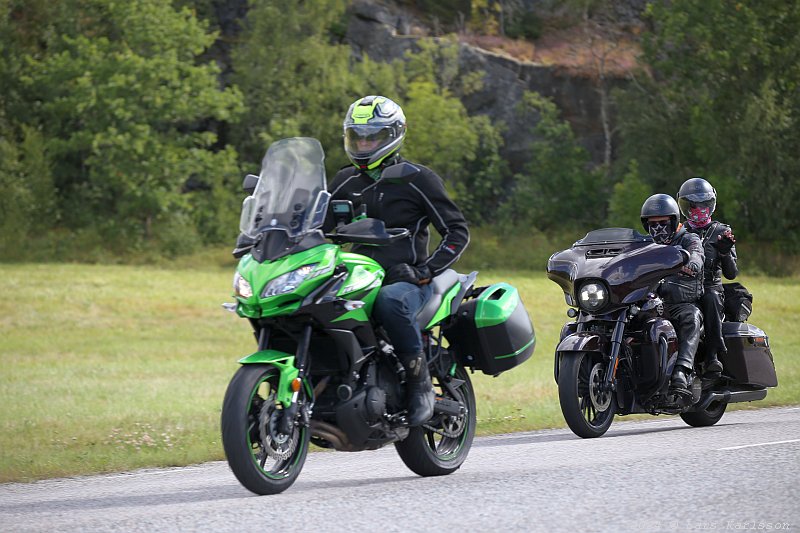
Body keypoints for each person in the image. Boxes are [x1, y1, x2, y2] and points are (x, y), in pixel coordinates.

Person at [324, 95, 470, 426]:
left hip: (405, 280)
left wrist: (425, 271)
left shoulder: (417, 179)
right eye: (357, 136)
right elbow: (316, 230)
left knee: (391, 301)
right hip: (357, 276)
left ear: (392, 135)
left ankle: (420, 384)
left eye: (371, 136)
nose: (363, 143)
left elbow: (456, 232)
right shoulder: (343, 181)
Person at [640, 194, 705, 393]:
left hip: (679, 302)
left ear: (674, 221)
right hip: (651, 302)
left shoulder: (689, 239)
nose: (657, 228)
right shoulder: (644, 245)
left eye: (663, 223)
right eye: (652, 224)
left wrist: (691, 264)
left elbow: (697, 255)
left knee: (690, 316)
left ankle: (682, 371)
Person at [678, 177, 738, 376]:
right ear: (684, 206)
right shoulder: (679, 232)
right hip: (683, 287)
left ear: (711, 204)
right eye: (693, 205)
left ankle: (713, 355)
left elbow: (731, 274)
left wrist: (724, 252)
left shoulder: (722, 231)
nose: (698, 209)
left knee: (710, 298)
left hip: (710, 287)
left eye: (703, 204)